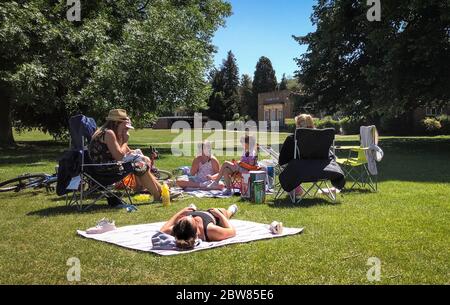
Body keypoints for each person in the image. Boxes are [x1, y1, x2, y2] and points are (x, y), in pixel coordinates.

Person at [89, 109, 165, 201]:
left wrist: (124, 141)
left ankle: (161, 191)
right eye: (124, 126)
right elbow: (120, 156)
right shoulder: (109, 133)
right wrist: (125, 141)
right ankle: (157, 195)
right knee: (140, 166)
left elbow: (124, 152)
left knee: (141, 164)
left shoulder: (106, 131)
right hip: (106, 169)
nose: (126, 128)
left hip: (105, 167)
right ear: (117, 123)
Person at [160, 204, 238, 249]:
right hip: (213, 216)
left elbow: (161, 232)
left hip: (196, 211)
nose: (192, 217)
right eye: (193, 220)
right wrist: (219, 215)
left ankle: (192, 207)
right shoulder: (211, 231)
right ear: (197, 230)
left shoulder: (179, 230)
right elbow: (232, 231)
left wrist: (179, 213)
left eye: (181, 218)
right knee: (224, 212)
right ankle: (231, 211)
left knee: (189, 210)